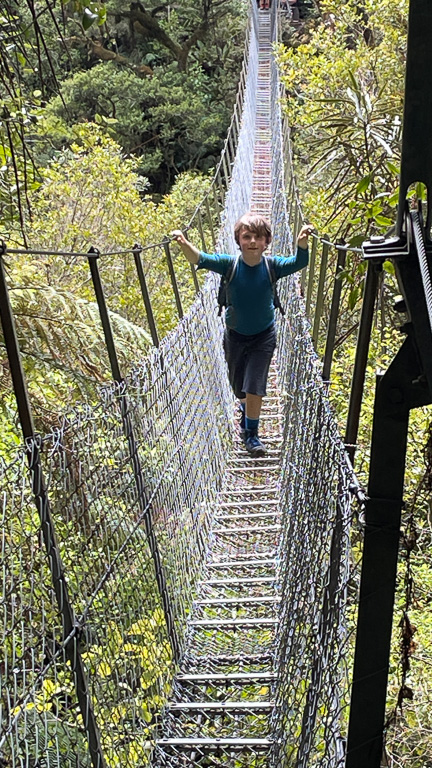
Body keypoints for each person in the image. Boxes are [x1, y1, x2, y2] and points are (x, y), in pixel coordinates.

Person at [171, 214, 312, 458]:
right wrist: (184, 242)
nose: (253, 242)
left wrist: (301, 244)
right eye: (247, 237)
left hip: (263, 337)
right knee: (240, 389)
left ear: (266, 242)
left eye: (258, 237)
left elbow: (299, 262)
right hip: (235, 337)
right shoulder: (229, 264)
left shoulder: (272, 266)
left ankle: (252, 435)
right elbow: (199, 258)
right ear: (238, 240)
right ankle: (246, 412)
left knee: (254, 386)